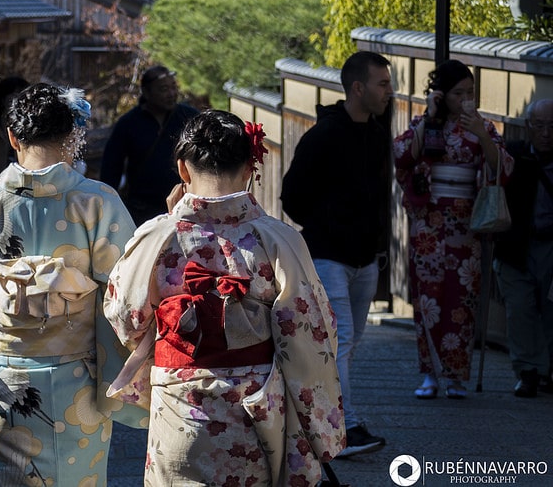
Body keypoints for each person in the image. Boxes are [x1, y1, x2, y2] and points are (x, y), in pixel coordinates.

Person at [0, 83, 145, 486]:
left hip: (2, 383)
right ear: (70, 137)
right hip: (80, 385)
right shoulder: (99, 202)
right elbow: (129, 297)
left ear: (12, 137)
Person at [104, 110, 345, 486]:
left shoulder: (155, 237)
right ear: (251, 167)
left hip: (179, 403)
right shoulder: (279, 239)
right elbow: (310, 330)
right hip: (257, 405)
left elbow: (125, 317)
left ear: (183, 171)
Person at [280, 50, 392, 457]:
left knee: (351, 338)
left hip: (365, 256)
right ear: (358, 87)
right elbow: (291, 194)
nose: (389, 91)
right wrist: (328, 224)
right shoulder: (323, 136)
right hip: (328, 253)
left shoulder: (377, 135)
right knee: (339, 337)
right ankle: (343, 428)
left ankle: (330, 420)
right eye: (382, 83)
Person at [393, 59, 513, 401]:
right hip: (429, 223)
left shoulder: (483, 128)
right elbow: (402, 156)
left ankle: (457, 375)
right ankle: (429, 372)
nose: (465, 99)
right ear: (442, 94)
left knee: (462, 299)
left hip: (466, 223)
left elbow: (502, 168)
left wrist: (480, 136)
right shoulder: (426, 123)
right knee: (428, 296)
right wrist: (428, 118)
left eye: (470, 92)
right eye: (458, 92)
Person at [494, 98, 553, 398]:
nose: (545, 133)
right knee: (519, 310)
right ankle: (527, 371)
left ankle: (548, 370)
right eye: (539, 125)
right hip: (516, 246)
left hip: (550, 245)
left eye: (551, 126)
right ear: (528, 127)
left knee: (550, 309)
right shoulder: (513, 156)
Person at [99, 65, 199, 225]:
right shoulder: (128, 123)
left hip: (184, 205)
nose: (171, 94)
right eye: (164, 89)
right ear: (147, 92)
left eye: (174, 87)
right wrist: (108, 205)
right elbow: (111, 167)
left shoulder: (190, 117)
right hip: (141, 209)